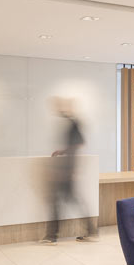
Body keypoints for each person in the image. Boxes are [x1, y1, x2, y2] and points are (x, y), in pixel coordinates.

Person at [41, 97, 98, 244]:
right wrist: (62, 151)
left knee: (60, 202)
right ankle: (90, 231)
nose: (58, 108)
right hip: (66, 169)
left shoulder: (73, 123)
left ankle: (52, 236)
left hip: (66, 170)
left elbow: (79, 143)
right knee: (66, 201)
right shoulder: (70, 123)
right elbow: (76, 144)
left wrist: (68, 169)